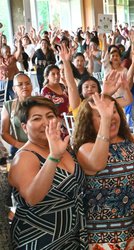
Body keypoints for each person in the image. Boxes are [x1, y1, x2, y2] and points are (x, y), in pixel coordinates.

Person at [8, 96, 87, 249]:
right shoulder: (25, 156)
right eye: (37, 118)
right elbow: (33, 198)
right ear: (24, 127)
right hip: (39, 239)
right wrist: (53, 157)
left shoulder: (63, 148)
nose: (45, 122)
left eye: (50, 116)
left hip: (72, 236)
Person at [73, 94, 134, 249]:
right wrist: (106, 120)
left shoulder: (130, 141)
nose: (110, 117)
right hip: (103, 237)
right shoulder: (86, 148)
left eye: (113, 111)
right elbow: (97, 163)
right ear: (89, 122)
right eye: (101, 114)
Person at [1, 73, 32, 157]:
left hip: (40, 146)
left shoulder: (40, 103)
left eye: (27, 83)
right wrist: (19, 145)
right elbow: (4, 132)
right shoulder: (9, 105)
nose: (24, 86)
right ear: (14, 89)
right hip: (18, 148)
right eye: (20, 84)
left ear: (31, 85)